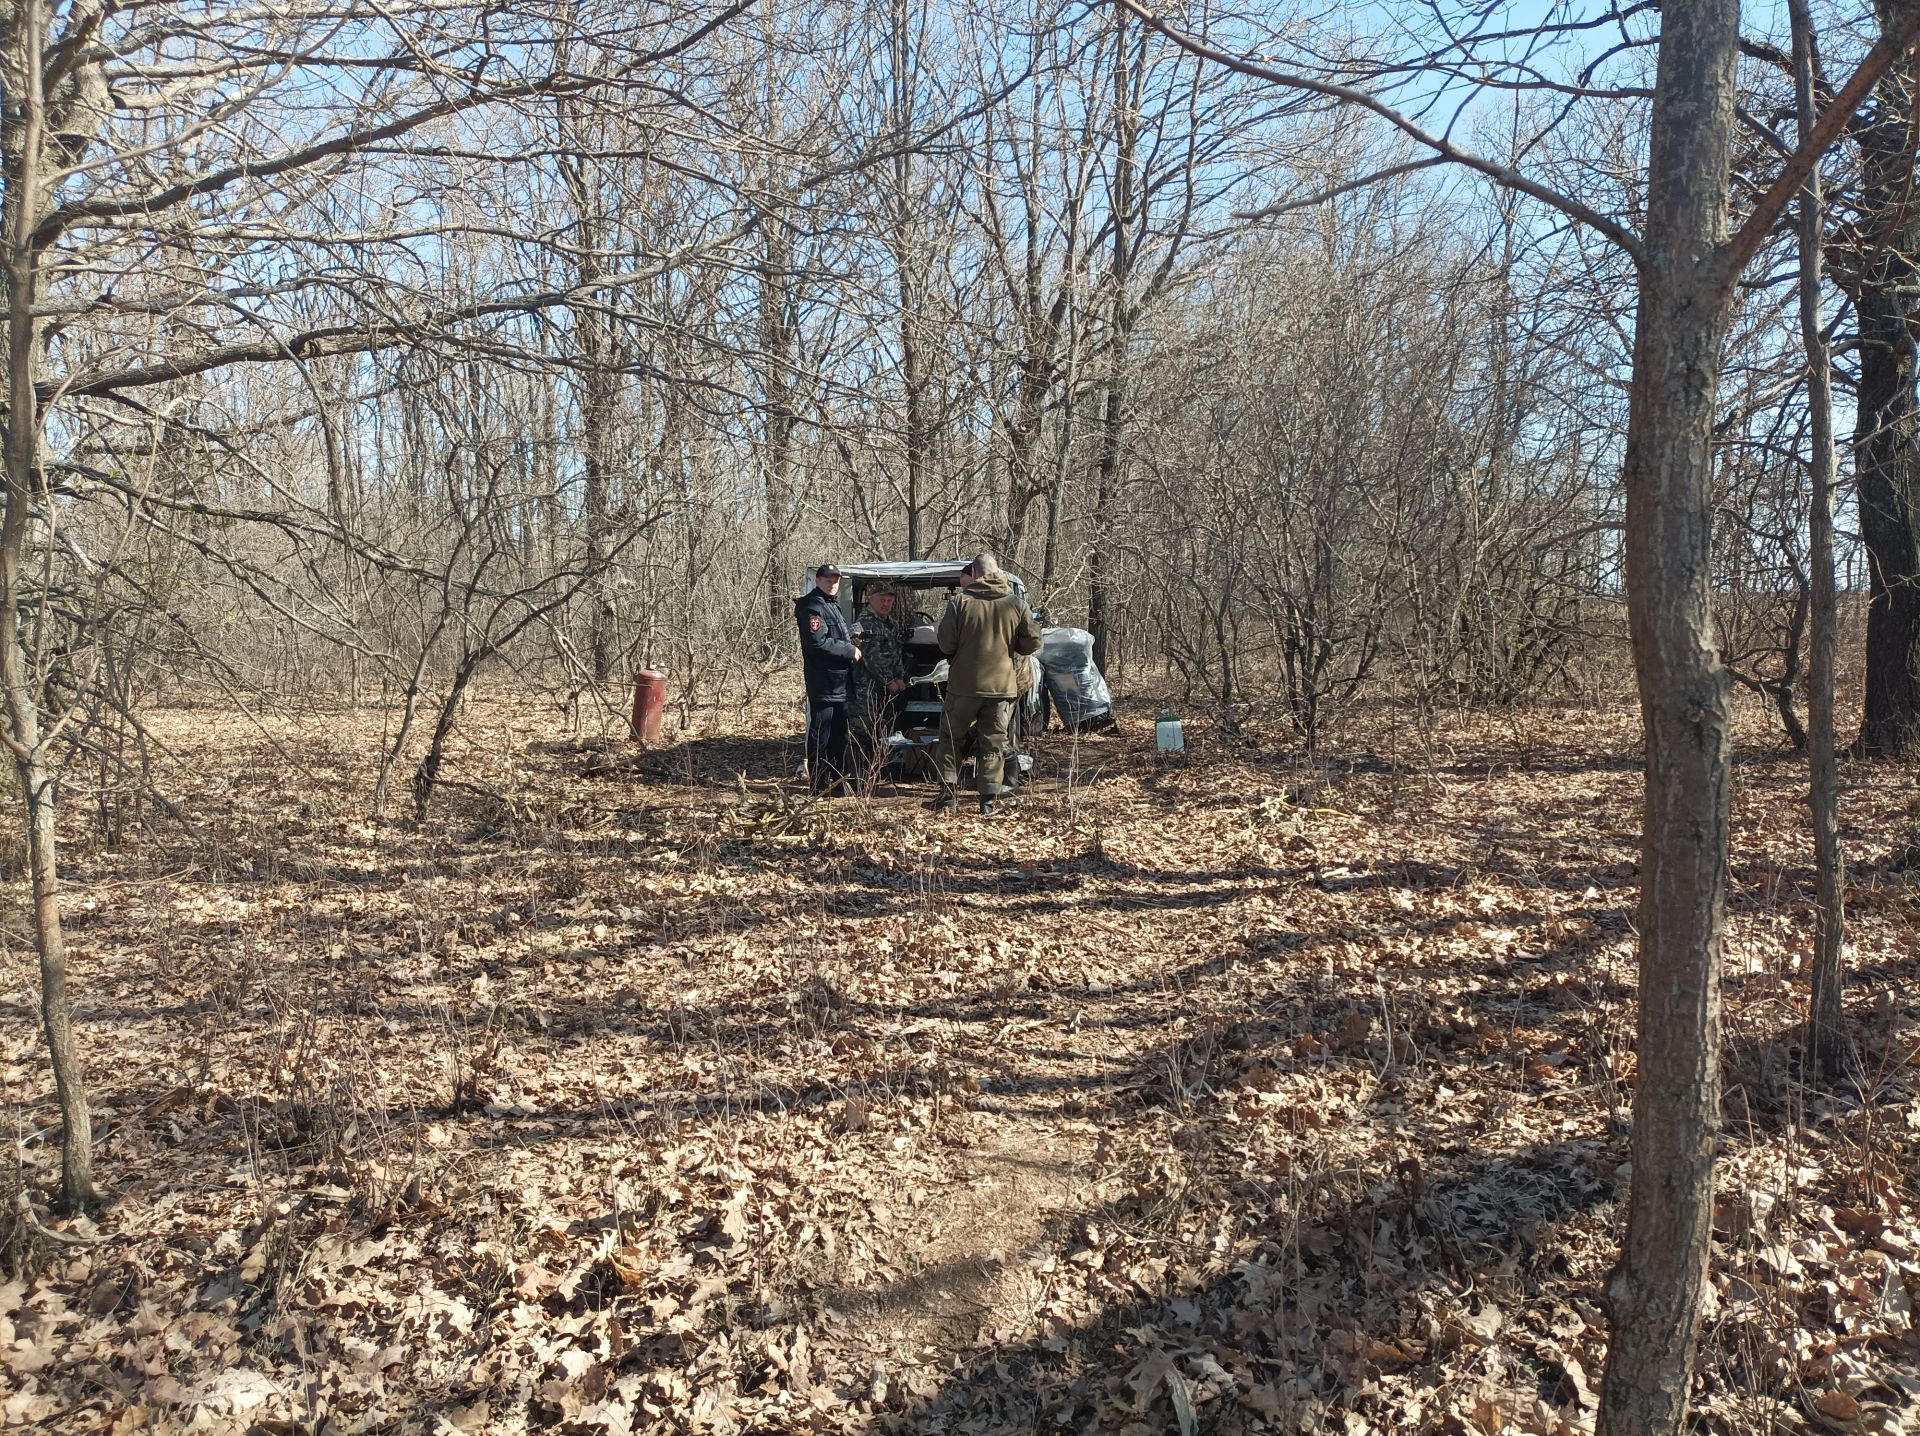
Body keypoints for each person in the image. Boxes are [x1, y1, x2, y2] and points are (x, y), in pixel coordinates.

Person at [932, 552, 1042, 815]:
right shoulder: (1015, 604)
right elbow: (1033, 642)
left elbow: (945, 643)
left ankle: (947, 798)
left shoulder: (960, 602)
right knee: (992, 743)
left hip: (963, 687)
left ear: (976, 575)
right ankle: (988, 801)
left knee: (951, 739)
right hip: (1002, 688)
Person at [795, 563, 861, 795]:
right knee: (821, 735)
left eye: (836, 580)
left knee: (839, 736)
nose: (832, 584)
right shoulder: (812, 607)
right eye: (827, 580)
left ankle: (837, 783)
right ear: (817, 581)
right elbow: (817, 644)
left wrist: (852, 641)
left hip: (840, 683)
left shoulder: (832, 605)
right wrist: (849, 651)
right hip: (823, 682)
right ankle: (819, 785)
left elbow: (834, 637)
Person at [852, 586, 909, 788]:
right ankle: (857, 779)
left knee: (883, 733)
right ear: (871, 600)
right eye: (882, 600)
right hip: (866, 689)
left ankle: (878, 773)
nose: (886, 604)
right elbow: (870, 657)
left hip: (887, 690)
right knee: (863, 733)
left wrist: (900, 677)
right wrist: (888, 681)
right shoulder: (863, 624)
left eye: (889, 601)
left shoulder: (891, 624)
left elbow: (896, 654)